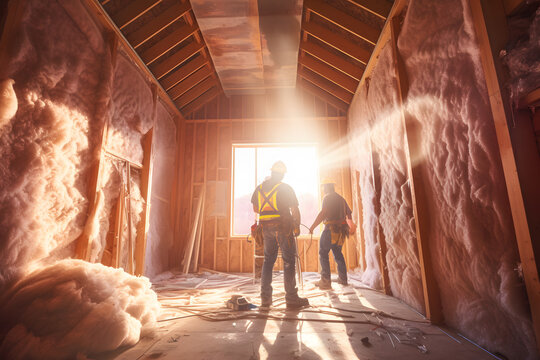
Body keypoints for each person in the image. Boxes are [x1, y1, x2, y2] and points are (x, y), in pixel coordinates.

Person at [251, 161, 309, 310]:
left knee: (268, 261)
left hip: (266, 229)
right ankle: (291, 298)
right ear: (282, 174)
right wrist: (297, 226)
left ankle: (265, 299)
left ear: (272, 173)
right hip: (283, 228)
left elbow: (256, 208)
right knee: (289, 261)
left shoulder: (260, 188)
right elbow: (295, 210)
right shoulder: (285, 188)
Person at [309, 179, 354, 289]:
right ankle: (343, 279)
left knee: (323, 253)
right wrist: (351, 227)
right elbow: (349, 214)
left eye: (324, 187)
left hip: (330, 229)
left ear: (327, 188)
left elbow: (323, 213)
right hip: (341, 231)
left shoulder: (327, 198)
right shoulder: (341, 199)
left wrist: (313, 226)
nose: (323, 190)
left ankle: (325, 281)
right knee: (338, 253)